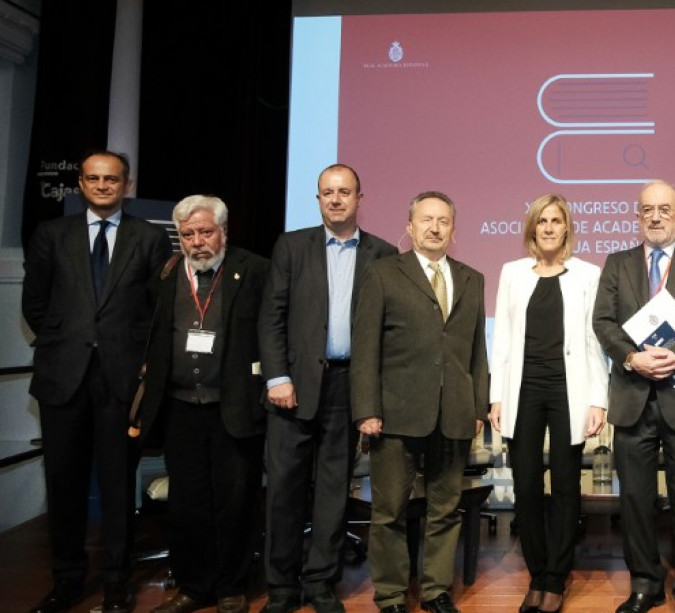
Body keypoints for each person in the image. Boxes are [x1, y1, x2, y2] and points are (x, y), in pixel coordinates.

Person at [22, 149, 172, 613]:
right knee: (63, 483)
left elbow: (157, 310)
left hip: (122, 383)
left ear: (126, 184)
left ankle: (115, 582)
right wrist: (71, 341)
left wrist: (139, 363)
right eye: (93, 178)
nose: (103, 186)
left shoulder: (149, 237)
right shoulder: (51, 234)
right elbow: (36, 305)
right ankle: (67, 580)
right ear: (81, 185)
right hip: (62, 379)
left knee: (116, 482)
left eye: (112, 179)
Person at [258, 164, 396, 613]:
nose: (336, 200)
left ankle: (320, 584)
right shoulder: (292, 246)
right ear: (317, 199)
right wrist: (278, 377)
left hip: (347, 387)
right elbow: (271, 316)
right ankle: (281, 588)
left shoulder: (384, 254)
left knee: (335, 492)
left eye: (344, 192)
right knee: (284, 491)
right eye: (327, 193)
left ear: (360, 197)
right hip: (292, 389)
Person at [351, 191, 489, 613]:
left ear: (453, 228)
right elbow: (365, 348)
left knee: (445, 511)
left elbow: (476, 351)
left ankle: (435, 590)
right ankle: (391, 595)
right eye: (426, 220)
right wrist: (366, 410)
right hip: (394, 414)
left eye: (443, 221)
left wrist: (478, 407)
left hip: (453, 415)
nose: (434, 227)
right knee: (389, 512)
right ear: (410, 227)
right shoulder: (383, 274)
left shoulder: (472, 277)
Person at [592, 180, 675, 613]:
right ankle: (645, 585)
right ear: (637, 216)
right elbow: (604, 322)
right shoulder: (617, 263)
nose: (655, 216)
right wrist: (632, 358)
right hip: (632, 398)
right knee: (635, 503)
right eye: (647, 209)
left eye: (665, 209)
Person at [137, 195, 269, 613]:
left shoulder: (254, 270)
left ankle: (231, 586)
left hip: (234, 407)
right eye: (188, 234)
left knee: (236, 503)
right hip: (180, 409)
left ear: (224, 232)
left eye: (205, 232)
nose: (197, 242)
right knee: (187, 503)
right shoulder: (166, 273)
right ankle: (194, 586)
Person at [488, 194, 609, 613]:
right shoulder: (512, 273)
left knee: (565, 484)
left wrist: (598, 399)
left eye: (557, 220)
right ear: (532, 228)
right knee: (524, 485)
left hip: (568, 390)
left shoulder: (587, 275)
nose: (550, 227)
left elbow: (595, 343)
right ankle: (537, 573)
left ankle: (556, 577)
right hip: (522, 389)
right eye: (542, 221)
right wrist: (497, 396)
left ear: (567, 228)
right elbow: (501, 337)